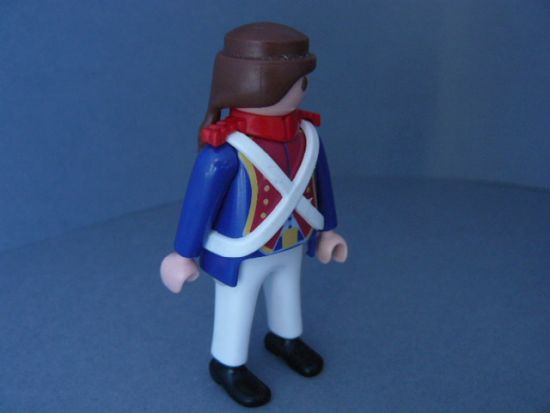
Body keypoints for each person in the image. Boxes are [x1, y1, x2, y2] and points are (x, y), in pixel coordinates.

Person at [160, 22, 348, 407]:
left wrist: (328, 231)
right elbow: (199, 203)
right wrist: (183, 253)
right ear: (260, 84)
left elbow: (322, 185)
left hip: (292, 240)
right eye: (297, 81)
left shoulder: (308, 137)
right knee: (238, 304)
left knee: (287, 291)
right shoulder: (226, 150)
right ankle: (228, 363)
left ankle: (285, 338)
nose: (304, 88)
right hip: (242, 250)